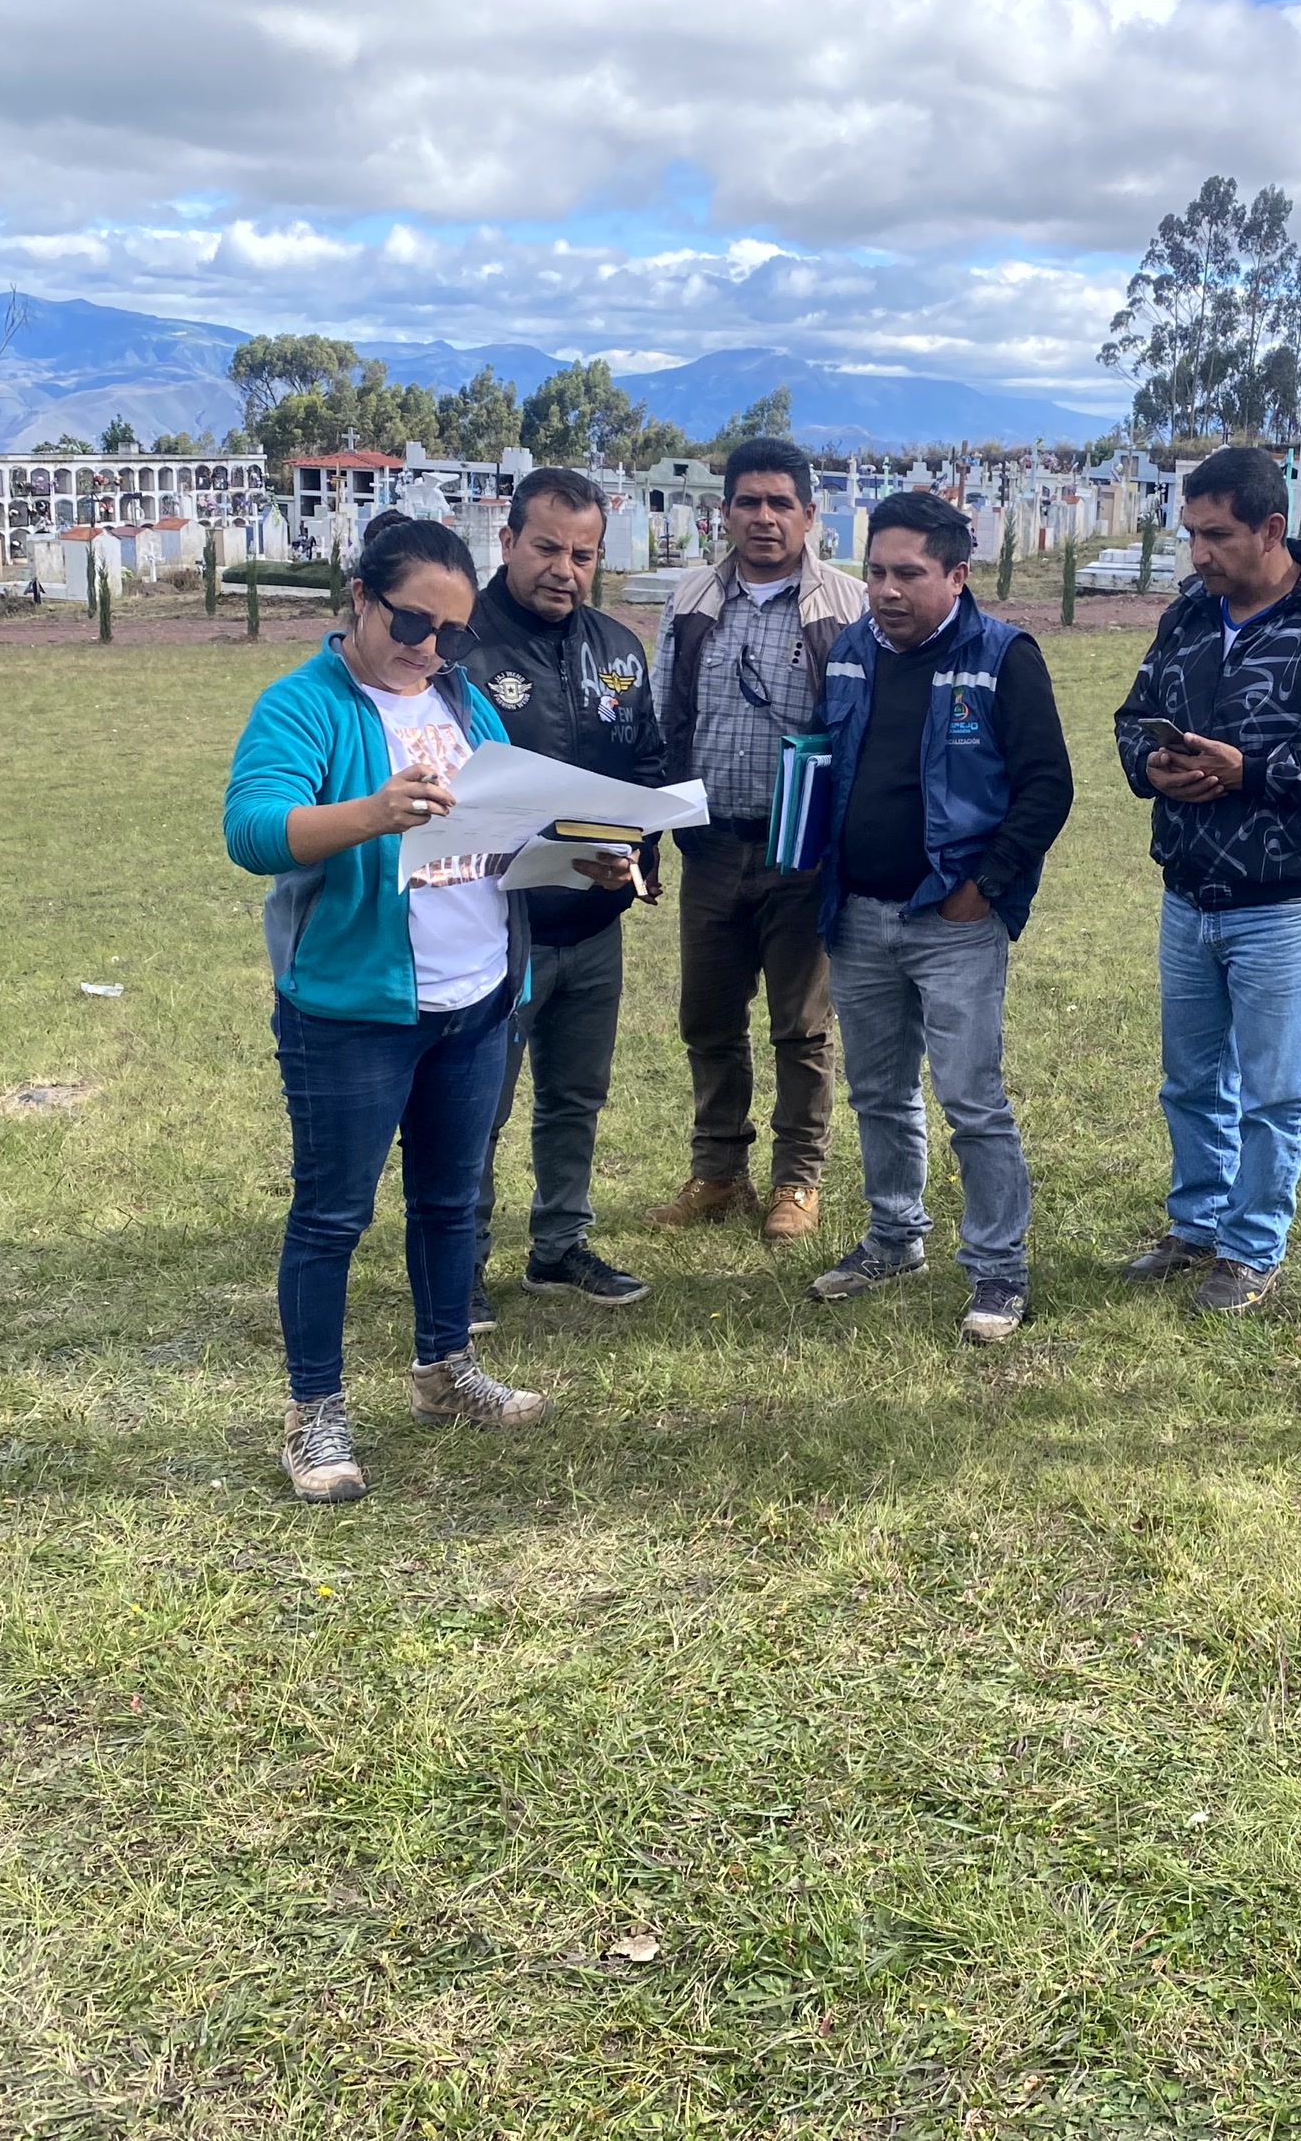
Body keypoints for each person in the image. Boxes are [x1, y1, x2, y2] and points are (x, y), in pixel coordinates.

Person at [222, 516, 549, 1505]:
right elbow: (252, 832)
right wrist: (372, 812)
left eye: (453, 632)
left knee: (450, 1201)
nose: (431, 647)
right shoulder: (303, 705)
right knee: (332, 1216)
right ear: (360, 598)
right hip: (352, 1010)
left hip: (474, 999)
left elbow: (506, 828)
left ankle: (445, 1368)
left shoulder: (464, 702)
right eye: (412, 622)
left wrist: (585, 855)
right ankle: (313, 1411)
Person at [1111, 446, 1301, 1314]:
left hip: (1285, 898)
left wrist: (1249, 772)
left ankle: (1251, 1247)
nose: (1199, 554)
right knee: (1190, 1080)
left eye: (1217, 536)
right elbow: (1131, 717)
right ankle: (1196, 1225)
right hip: (1188, 890)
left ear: (1271, 529)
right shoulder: (1189, 614)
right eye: (1190, 534)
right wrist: (1152, 767)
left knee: (1272, 1090)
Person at [808, 490, 1073, 1344]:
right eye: (875, 572)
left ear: (957, 576)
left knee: (971, 1099)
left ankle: (997, 1268)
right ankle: (894, 1237)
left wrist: (982, 886)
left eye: (908, 574)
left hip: (951, 920)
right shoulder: (852, 650)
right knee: (879, 1093)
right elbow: (825, 758)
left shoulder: (1001, 657)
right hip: (857, 913)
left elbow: (1047, 787)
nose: (886, 590)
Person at [646, 437, 869, 1246]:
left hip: (803, 854)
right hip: (711, 845)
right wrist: (654, 828)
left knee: (800, 1027)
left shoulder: (847, 606)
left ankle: (796, 1179)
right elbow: (666, 719)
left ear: (810, 515)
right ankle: (717, 1173)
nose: (764, 517)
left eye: (780, 503)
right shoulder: (692, 599)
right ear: (725, 511)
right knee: (707, 1018)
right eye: (749, 502)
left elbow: (866, 731)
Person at [464, 467, 666, 1327]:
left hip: (592, 922)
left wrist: (638, 853)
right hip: (492, 925)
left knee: (574, 1097)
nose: (564, 569)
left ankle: (558, 1243)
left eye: (583, 555)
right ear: (508, 541)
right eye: (547, 548)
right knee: (477, 1107)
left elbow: (645, 763)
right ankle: (459, 1260)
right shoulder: (458, 645)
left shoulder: (617, 646)